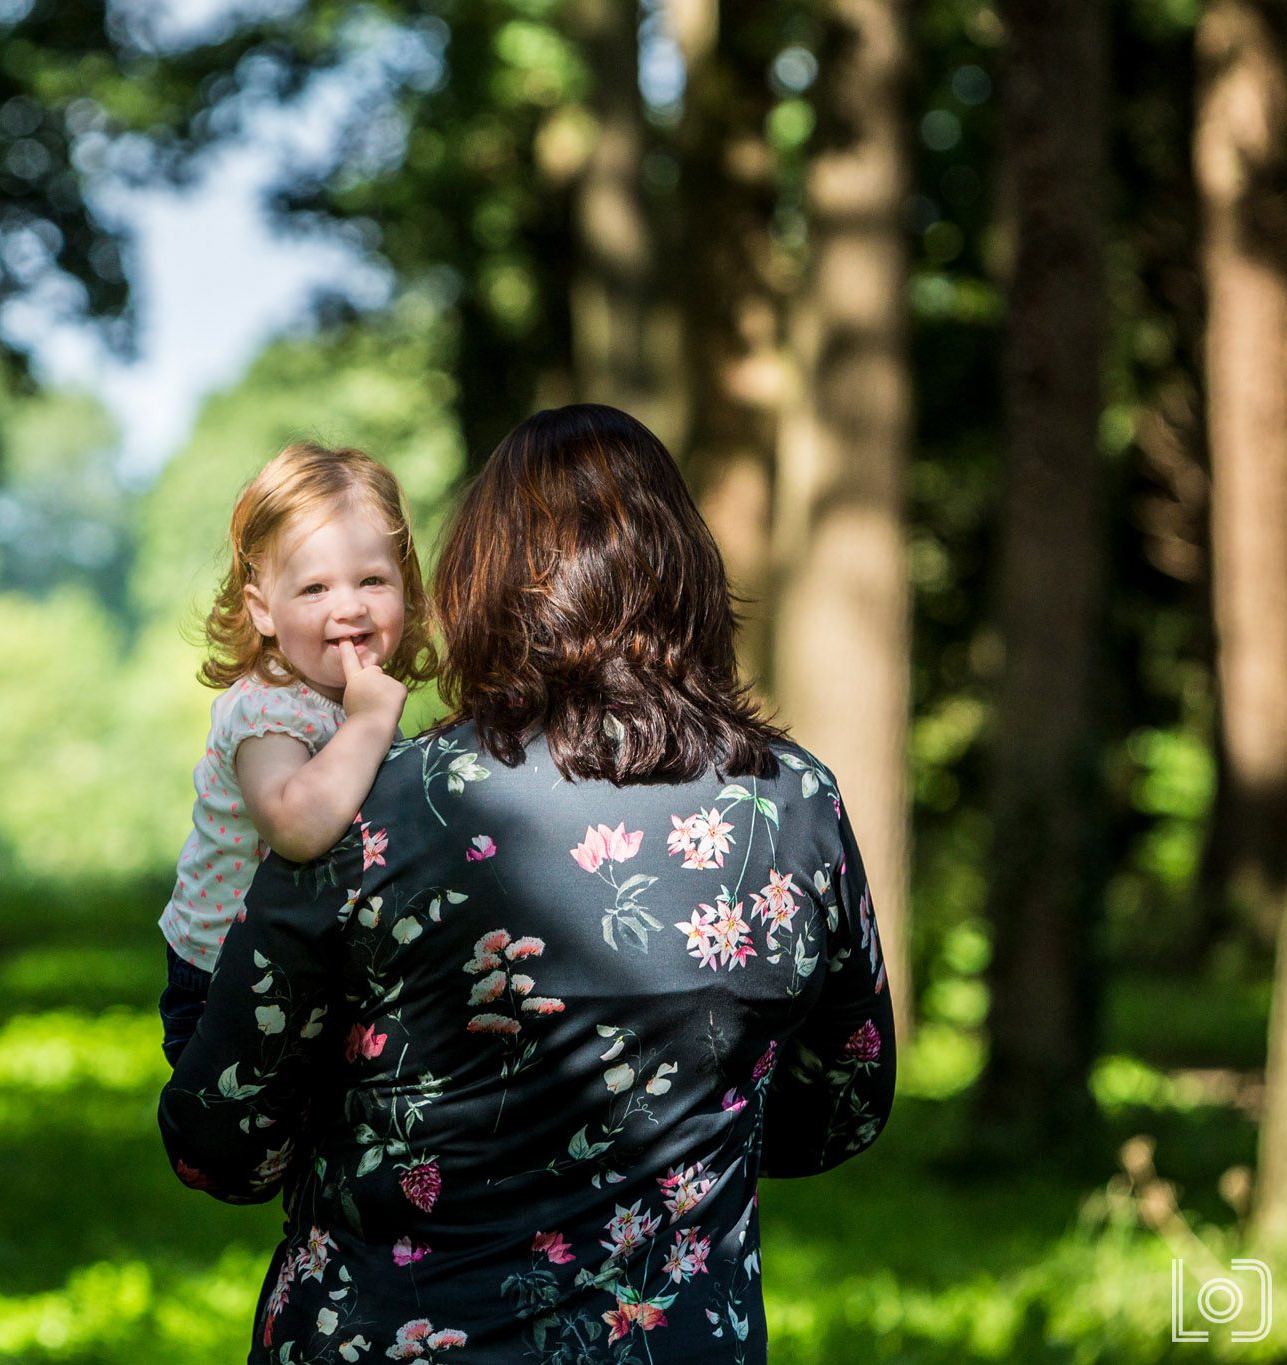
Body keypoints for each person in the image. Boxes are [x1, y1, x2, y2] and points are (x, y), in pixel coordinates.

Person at [159, 404, 896, 1362]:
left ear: (476, 585)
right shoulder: (794, 803)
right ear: (691, 577)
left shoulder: (378, 804)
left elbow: (221, 1137)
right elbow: (841, 1103)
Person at [157, 442, 437, 1065]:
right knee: (253, 1146)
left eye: (372, 580)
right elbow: (295, 827)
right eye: (314, 588)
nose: (349, 607)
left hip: (302, 962)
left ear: (406, 589)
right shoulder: (269, 709)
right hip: (225, 979)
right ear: (262, 609)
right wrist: (368, 724)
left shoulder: (350, 697)